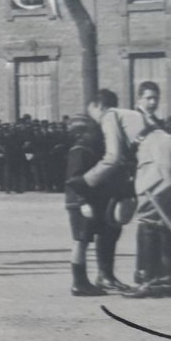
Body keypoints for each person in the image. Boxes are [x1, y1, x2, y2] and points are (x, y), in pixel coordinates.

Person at [80, 82, 171, 298]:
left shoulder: (110, 116)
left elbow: (113, 157)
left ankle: (146, 281)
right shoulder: (133, 116)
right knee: (162, 222)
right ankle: (164, 281)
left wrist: (85, 180)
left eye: (92, 113)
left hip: (157, 159)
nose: (95, 120)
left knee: (147, 220)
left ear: (98, 106)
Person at [61, 113, 124, 296]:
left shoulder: (93, 148)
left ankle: (103, 276)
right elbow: (74, 179)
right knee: (81, 241)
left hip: (94, 201)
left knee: (102, 236)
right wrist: (83, 202)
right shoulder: (80, 150)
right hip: (79, 202)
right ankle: (79, 283)